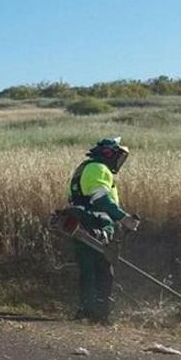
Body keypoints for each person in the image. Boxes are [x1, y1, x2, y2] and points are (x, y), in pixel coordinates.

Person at [67, 137, 139, 323]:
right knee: (103, 271)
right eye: (117, 157)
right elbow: (101, 200)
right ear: (108, 154)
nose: (118, 162)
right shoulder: (98, 169)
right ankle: (98, 314)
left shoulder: (86, 168)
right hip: (94, 225)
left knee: (89, 269)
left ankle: (88, 311)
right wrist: (123, 218)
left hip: (84, 224)